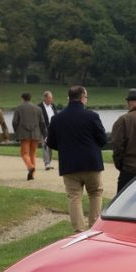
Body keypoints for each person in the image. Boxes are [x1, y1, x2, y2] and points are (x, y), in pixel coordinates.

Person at [46, 85, 107, 232]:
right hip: (91, 162)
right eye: (86, 97)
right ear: (82, 98)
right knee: (95, 193)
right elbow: (103, 139)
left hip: (69, 163)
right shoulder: (91, 116)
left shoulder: (57, 119)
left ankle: (79, 231)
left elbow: (50, 142)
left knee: (74, 197)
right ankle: (93, 228)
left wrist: (65, 148)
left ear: (69, 98)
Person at [12, 92, 47, 181]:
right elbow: (42, 123)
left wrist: (17, 131)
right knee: (33, 153)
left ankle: (30, 166)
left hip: (24, 134)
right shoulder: (38, 109)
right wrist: (44, 134)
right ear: (30, 98)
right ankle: (33, 174)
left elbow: (15, 122)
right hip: (36, 134)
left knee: (24, 153)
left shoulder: (19, 108)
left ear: (22, 98)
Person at [38, 90, 61, 170]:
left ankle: (49, 162)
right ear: (44, 98)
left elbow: (56, 116)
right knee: (45, 146)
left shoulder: (52, 106)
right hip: (44, 129)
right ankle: (46, 163)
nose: (51, 100)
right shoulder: (39, 107)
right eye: (49, 98)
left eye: (51, 98)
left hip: (53, 129)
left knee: (50, 145)